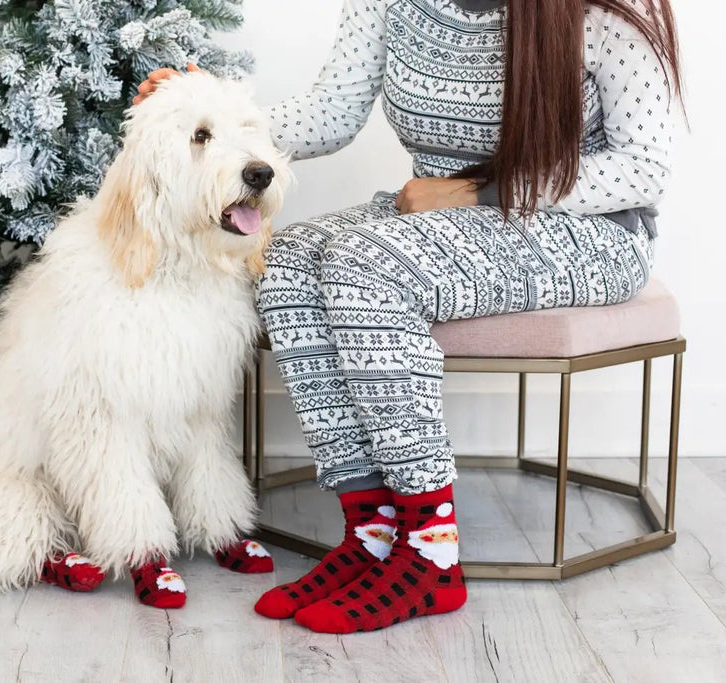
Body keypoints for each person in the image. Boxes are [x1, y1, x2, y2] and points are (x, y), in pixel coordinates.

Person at [135, 0, 682, 634]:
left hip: (586, 229)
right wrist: (205, 115)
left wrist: (480, 191)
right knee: (283, 262)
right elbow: (330, 112)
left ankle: (429, 553)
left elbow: (644, 168)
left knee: (361, 265)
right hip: (436, 217)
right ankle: (372, 530)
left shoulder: (607, 12)